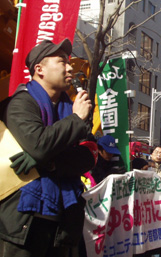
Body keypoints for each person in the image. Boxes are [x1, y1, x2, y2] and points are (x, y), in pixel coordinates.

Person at [0, 39, 98, 256]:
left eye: (69, 62)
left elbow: (90, 154)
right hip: (24, 221)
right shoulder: (19, 104)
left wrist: (50, 162)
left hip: (64, 222)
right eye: (62, 62)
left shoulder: (72, 108)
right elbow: (38, 145)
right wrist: (75, 120)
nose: (70, 67)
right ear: (39, 69)